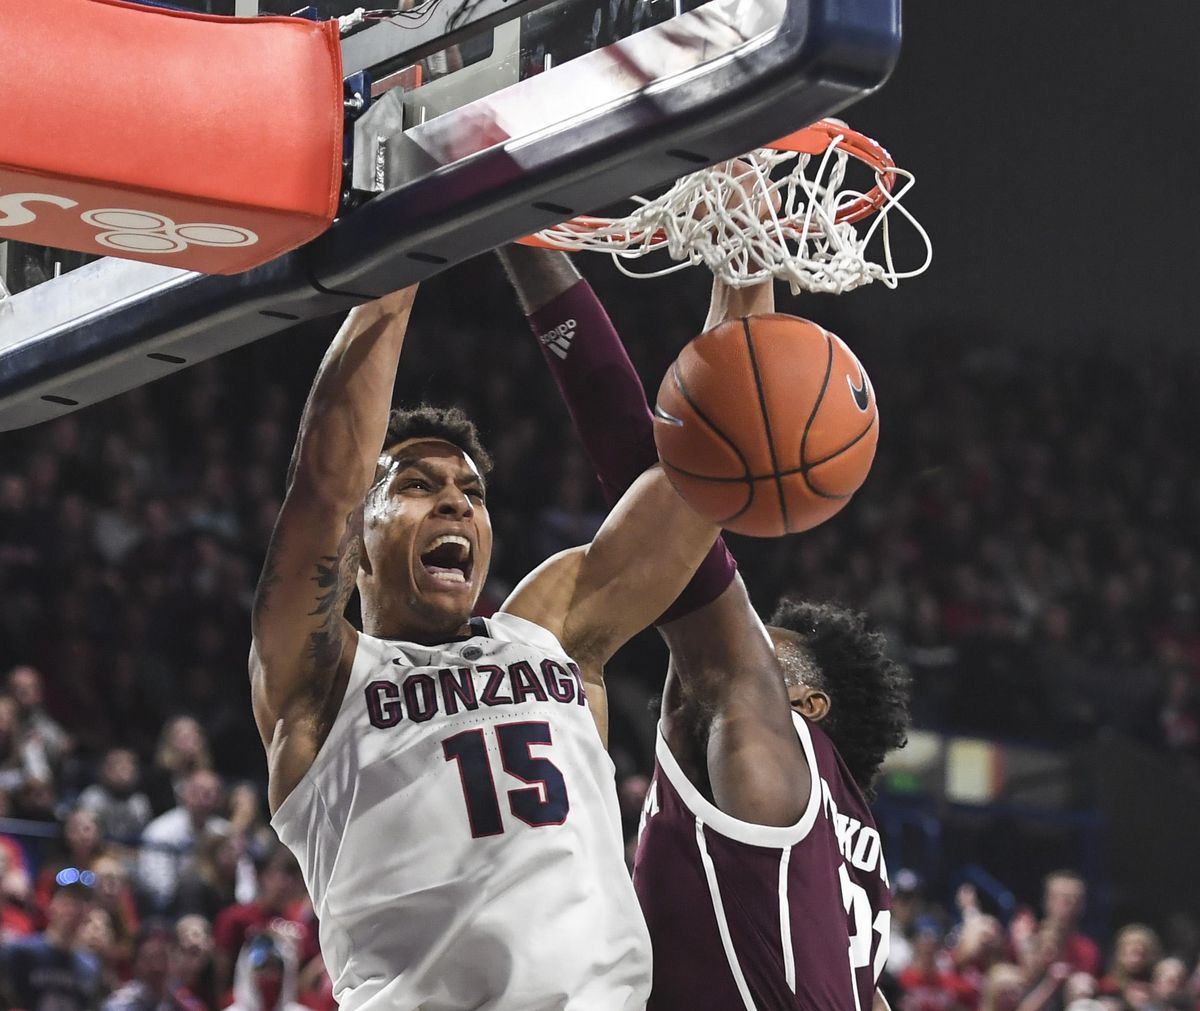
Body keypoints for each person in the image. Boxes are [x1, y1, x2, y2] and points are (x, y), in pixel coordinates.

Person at [251, 284, 721, 1008]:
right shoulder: (322, 679)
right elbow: (323, 490)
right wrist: (404, 261)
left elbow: (700, 477)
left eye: (471, 492)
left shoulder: (547, 630)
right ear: (360, 544)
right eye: (416, 484)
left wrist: (742, 279)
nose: (454, 503)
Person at [498, 243, 912, 1010]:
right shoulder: (853, 881)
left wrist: (523, 232)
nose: (747, 635)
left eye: (768, 644)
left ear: (807, 706)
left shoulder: (774, 762)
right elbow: (678, 508)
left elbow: (679, 485)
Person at [0, 876, 105, 1010]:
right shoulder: (21, 953)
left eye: (80, 903)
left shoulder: (90, 965)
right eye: (67, 901)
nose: (73, 910)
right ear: (51, 905)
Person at [138, 770, 227, 914]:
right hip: (172, 905)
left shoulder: (223, 831)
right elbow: (157, 883)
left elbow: (243, 877)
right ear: (185, 794)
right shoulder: (161, 830)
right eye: (200, 791)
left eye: (212, 792)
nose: (207, 798)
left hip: (216, 903)